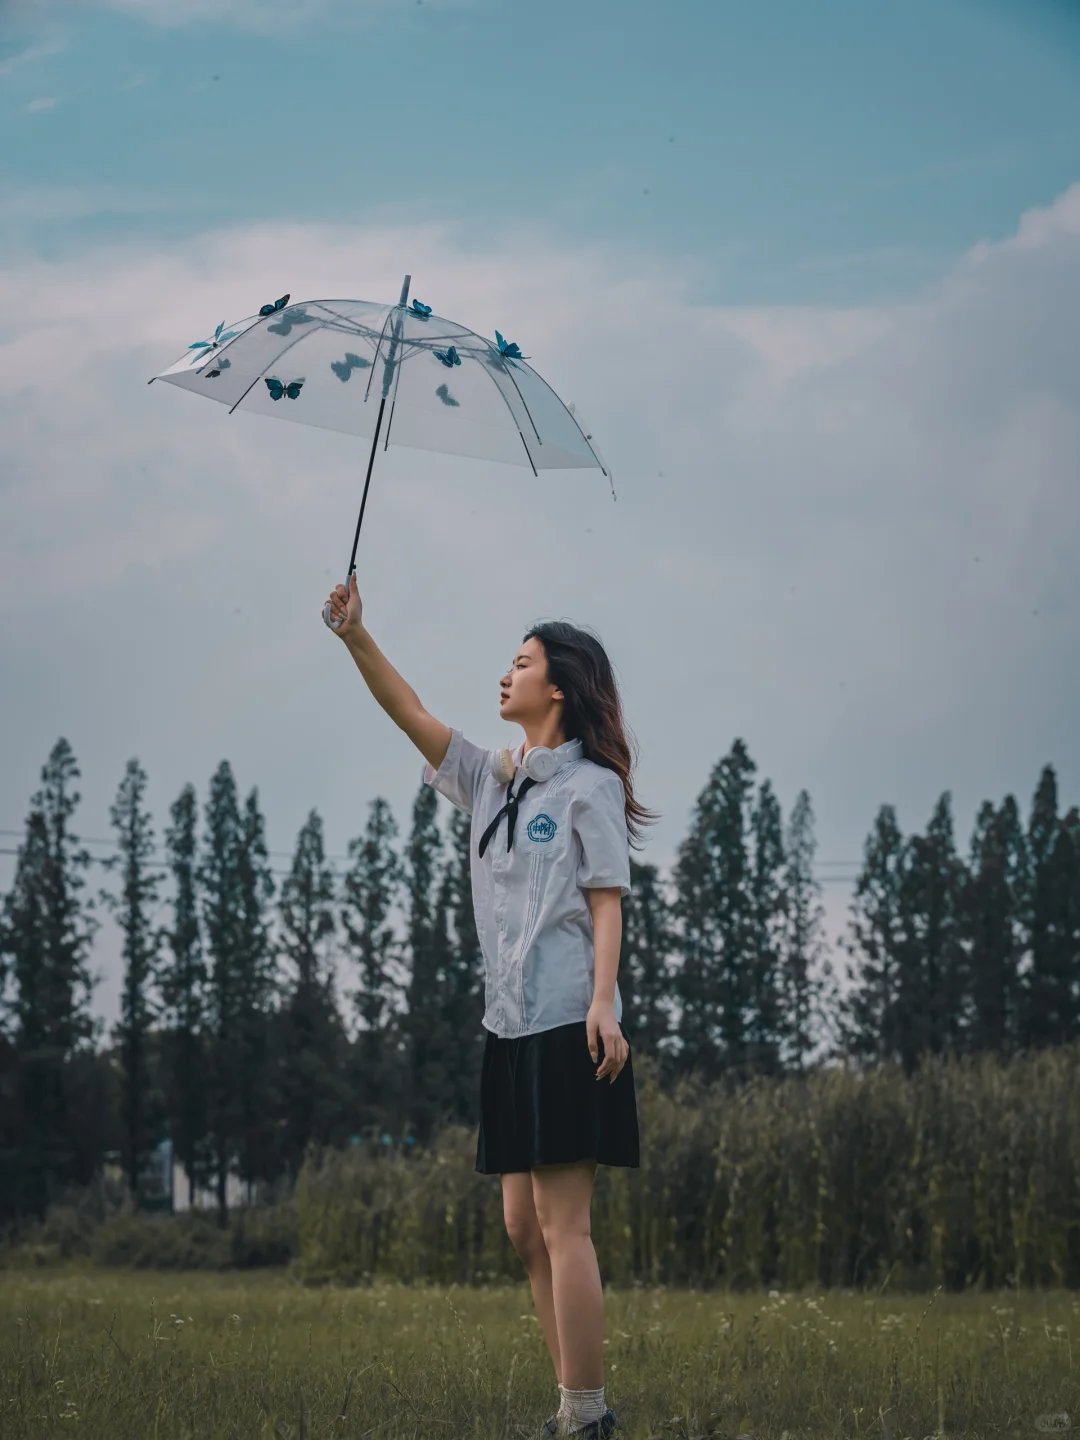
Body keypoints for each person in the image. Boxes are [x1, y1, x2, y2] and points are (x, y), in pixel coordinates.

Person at [324, 574, 656, 1439]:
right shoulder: (489, 778)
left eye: (521, 663)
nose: (504, 675)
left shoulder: (589, 788)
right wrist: (357, 635)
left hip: (565, 1022)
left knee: (562, 1222)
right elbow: (411, 712)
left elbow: (608, 900)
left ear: (559, 687)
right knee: (521, 1225)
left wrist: (604, 1005)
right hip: (506, 1027)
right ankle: (569, 1403)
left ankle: (586, 1417)